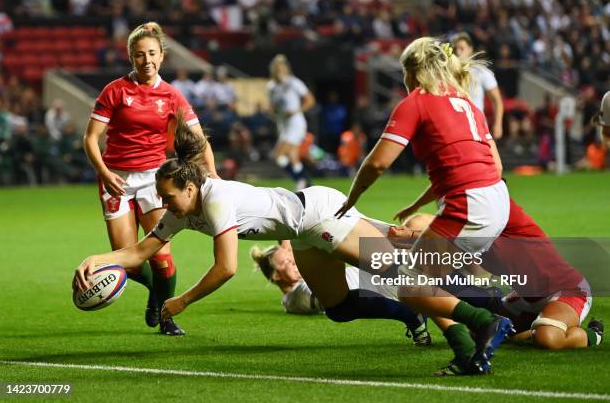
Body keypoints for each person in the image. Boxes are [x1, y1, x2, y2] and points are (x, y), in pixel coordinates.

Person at [73, 115, 453, 371]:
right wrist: (97, 259)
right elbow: (140, 250)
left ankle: (480, 313)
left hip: (317, 212)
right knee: (339, 307)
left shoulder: (215, 198)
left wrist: (181, 300)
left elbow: (227, 268)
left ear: (190, 187)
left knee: (392, 269)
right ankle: (413, 314)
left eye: (167, 196)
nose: (162, 203)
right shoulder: (180, 211)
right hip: (303, 228)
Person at [335, 37, 515, 376]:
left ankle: (489, 321)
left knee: (406, 282)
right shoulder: (466, 102)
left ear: (411, 72)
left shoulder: (415, 103)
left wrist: (353, 197)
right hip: (497, 199)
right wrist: (422, 201)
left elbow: (377, 164)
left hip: (469, 204)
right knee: (428, 284)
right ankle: (467, 354)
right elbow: (492, 163)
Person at [83, 22, 217, 336]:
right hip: (115, 178)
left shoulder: (171, 95)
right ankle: (156, 294)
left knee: (163, 257)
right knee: (128, 262)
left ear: (162, 56)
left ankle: (167, 315)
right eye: (140, 55)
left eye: (152, 54)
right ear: (131, 57)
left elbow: (199, 139)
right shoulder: (115, 90)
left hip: (154, 182)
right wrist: (104, 173)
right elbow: (90, 139)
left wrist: (213, 173)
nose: (147, 60)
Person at [391, 209, 604, 350]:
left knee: (547, 338)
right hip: (524, 298)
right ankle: (533, 328)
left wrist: (412, 236)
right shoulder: (469, 241)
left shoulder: (499, 218)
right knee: (482, 331)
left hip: (567, 290)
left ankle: (592, 334)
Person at [250, 240, 431, 346]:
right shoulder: (296, 297)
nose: (295, 263)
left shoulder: (300, 287)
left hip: (382, 275)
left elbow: (291, 240)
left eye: (293, 259)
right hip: (384, 285)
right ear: (275, 275)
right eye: (287, 263)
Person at [267, 54, 315, 190]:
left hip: (295, 123)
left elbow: (310, 100)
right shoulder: (271, 87)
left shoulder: (294, 83)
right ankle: (306, 184)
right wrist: (272, 110)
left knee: (278, 156)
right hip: (283, 125)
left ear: (286, 69)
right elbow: (272, 107)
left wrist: (295, 111)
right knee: (293, 158)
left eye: (281, 68)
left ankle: (302, 180)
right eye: (276, 68)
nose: (279, 71)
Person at [451, 32, 504, 139]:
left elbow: (497, 100)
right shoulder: (448, 74)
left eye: (462, 48)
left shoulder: (481, 71)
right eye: (455, 49)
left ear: (471, 49)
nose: (458, 52)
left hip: (477, 126)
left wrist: (498, 124)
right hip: (454, 127)